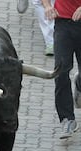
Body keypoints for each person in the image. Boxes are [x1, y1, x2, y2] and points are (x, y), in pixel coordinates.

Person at [41, 0, 81, 139]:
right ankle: (67, 119)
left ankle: (79, 84)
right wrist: (46, 6)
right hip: (63, 24)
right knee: (61, 72)